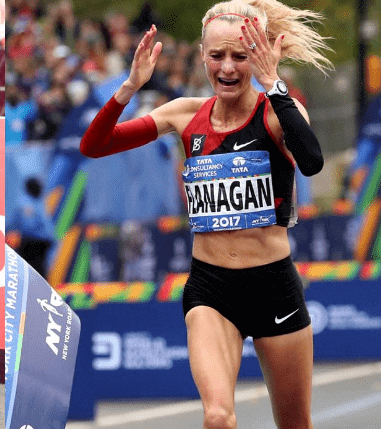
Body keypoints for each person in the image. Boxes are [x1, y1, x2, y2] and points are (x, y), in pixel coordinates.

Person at [80, 0, 332, 427]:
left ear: (259, 55)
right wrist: (128, 88)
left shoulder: (275, 114)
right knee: (217, 417)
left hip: (274, 286)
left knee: (295, 424)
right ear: (202, 56)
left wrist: (274, 84)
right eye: (217, 56)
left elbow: (311, 160)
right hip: (211, 290)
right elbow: (94, 145)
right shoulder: (184, 114)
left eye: (240, 56)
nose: (228, 68)